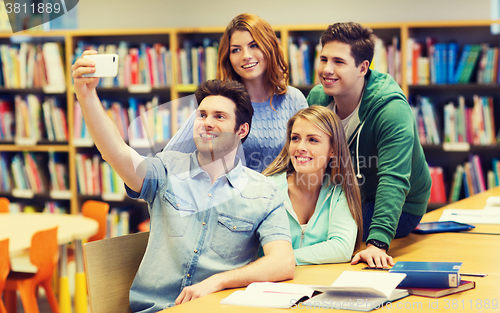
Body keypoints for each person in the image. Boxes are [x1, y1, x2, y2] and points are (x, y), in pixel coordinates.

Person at [72, 51, 295, 313]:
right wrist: (86, 95)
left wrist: (218, 282)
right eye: (202, 115)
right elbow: (116, 153)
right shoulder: (166, 169)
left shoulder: (264, 192)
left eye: (219, 117)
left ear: (241, 130)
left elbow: (282, 262)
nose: (206, 123)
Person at [306, 22, 432, 268]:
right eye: (323, 59)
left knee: (319, 233)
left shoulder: (391, 109)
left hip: (402, 206)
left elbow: (393, 178)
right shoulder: (317, 99)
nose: (327, 69)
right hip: (344, 196)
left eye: (339, 62)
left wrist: (377, 244)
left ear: (363, 67)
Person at [165, 13, 308, 173]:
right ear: (228, 57)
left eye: (254, 45)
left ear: (270, 47)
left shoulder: (295, 99)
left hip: (285, 196)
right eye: (236, 50)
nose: (246, 56)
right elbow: (169, 160)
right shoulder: (219, 103)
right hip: (232, 196)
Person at [262, 106, 363, 265]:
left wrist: (282, 260)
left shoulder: (339, 191)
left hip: (316, 283)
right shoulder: (266, 188)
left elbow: (342, 247)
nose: (300, 147)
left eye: (312, 140)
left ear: (333, 149)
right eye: (295, 138)